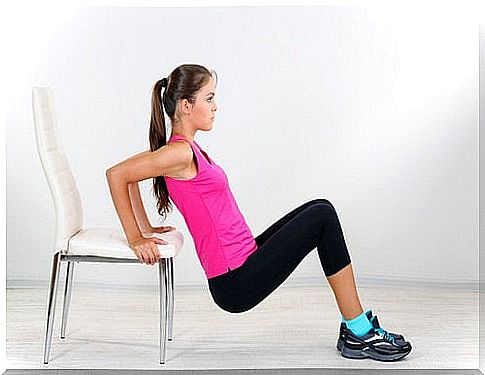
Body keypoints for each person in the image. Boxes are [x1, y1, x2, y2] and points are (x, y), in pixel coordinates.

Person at [105, 63, 412, 362]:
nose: (215, 106)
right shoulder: (179, 152)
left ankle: (355, 328)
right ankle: (359, 331)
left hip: (245, 258)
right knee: (323, 218)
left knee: (321, 209)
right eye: (209, 98)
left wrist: (147, 230)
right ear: (186, 106)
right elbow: (117, 175)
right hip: (235, 282)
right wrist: (136, 238)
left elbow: (129, 178)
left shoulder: (183, 149)